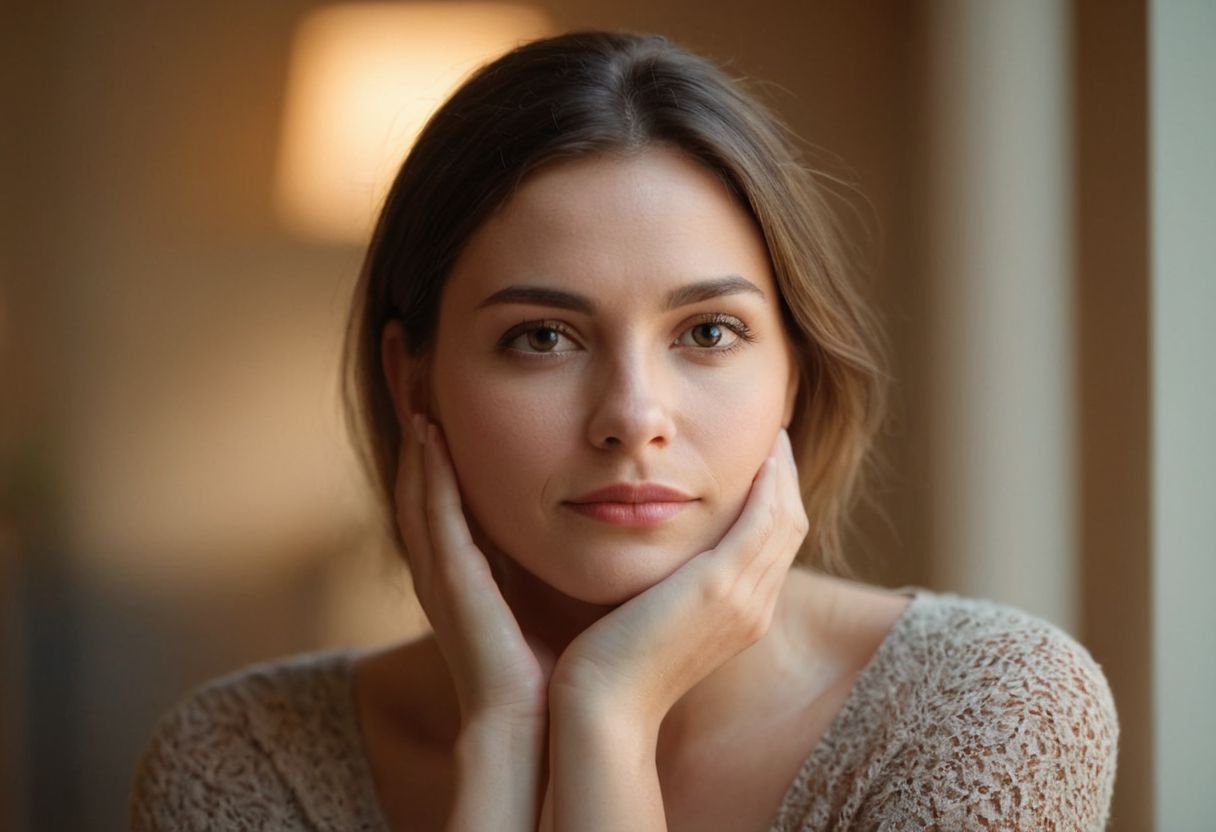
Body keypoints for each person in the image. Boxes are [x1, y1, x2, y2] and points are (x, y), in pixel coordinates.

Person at [131, 31, 1118, 831]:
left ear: (793, 372)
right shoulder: (243, 759)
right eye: (544, 337)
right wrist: (507, 741)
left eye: (708, 331)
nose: (633, 418)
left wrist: (602, 718)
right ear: (412, 380)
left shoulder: (983, 706)